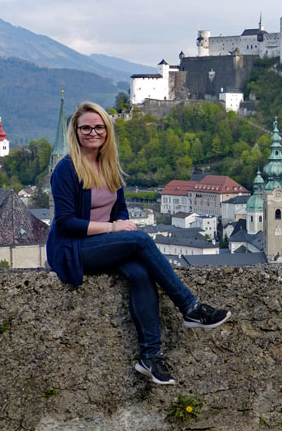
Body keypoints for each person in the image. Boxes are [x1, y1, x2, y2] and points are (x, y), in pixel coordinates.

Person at [47, 102, 231, 385]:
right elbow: (65, 223)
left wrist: (117, 226)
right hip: (73, 249)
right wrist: (112, 228)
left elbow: (119, 210)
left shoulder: (108, 166)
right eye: (86, 127)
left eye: (99, 127)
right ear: (76, 131)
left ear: (107, 131)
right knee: (141, 239)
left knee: (142, 274)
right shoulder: (66, 169)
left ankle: (151, 357)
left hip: (104, 244)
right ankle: (190, 308)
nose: (93, 132)